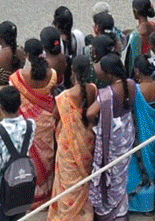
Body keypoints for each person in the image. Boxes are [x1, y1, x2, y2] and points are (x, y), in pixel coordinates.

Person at [86, 55, 136, 221]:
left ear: (108, 74)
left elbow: (90, 112)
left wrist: (94, 125)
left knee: (110, 176)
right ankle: (121, 210)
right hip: (126, 134)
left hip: (113, 140)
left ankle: (111, 213)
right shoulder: (130, 84)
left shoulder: (107, 95)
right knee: (121, 176)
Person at [10, 39, 57, 207]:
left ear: (28, 56)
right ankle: (45, 194)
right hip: (46, 122)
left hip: (26, 124)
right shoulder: (52, 73)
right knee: (46, 157)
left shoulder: (17, 78)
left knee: (28, 158)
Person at [48, 53, 95, 221]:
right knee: (83, 180)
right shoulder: (93, 89)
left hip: (68, 144)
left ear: (72, 71)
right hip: (87, 141)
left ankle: (67, 215)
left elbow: (54, 117)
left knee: (67, 182)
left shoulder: (64, 97)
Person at [0, 85, 29, 221]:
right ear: (19, 104)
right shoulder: (30, 126)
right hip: (22, 189)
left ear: (0, 107)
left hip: (1, 196)